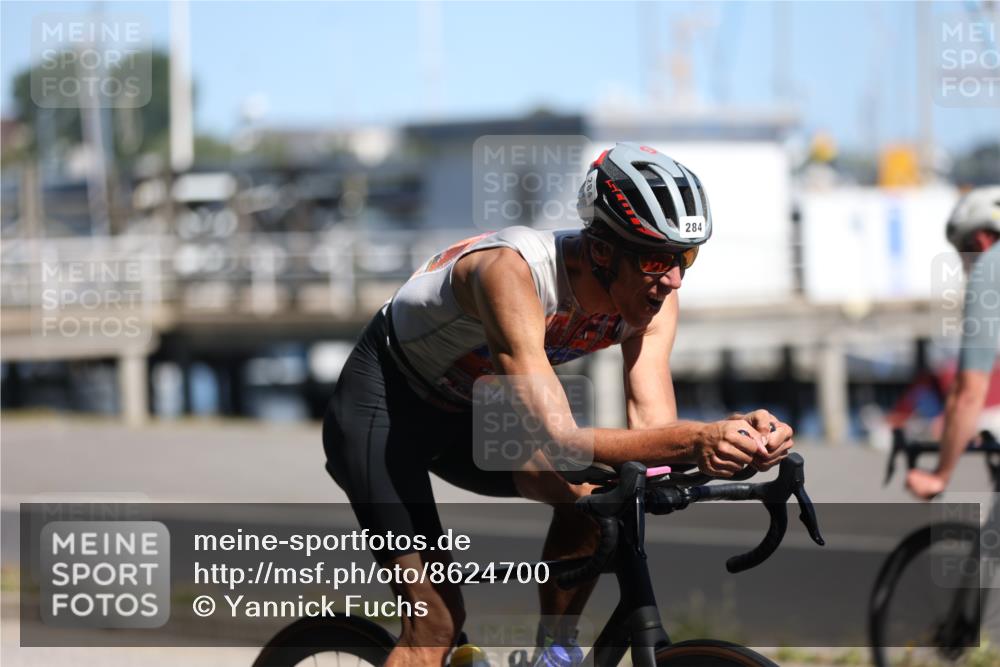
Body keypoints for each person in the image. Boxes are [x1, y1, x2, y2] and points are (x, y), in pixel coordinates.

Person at [323, 143, 795, 666]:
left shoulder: (652, 298)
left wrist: (735, 438)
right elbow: (561, 440)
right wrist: (696, 438)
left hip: (471, 412)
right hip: (386, 411)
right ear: (601, 251)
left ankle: (555, 654)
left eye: (686, 256)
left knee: (598, 496)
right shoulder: (511, 272)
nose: (675, 278)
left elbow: (656, 433)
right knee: (435, 625)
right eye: (658, 258)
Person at [907, 185, 1000, 500]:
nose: (965, 267)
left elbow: (967, 394)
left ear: (981, 239)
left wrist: (940, 474)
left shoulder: (990, 266)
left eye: (964, 254)